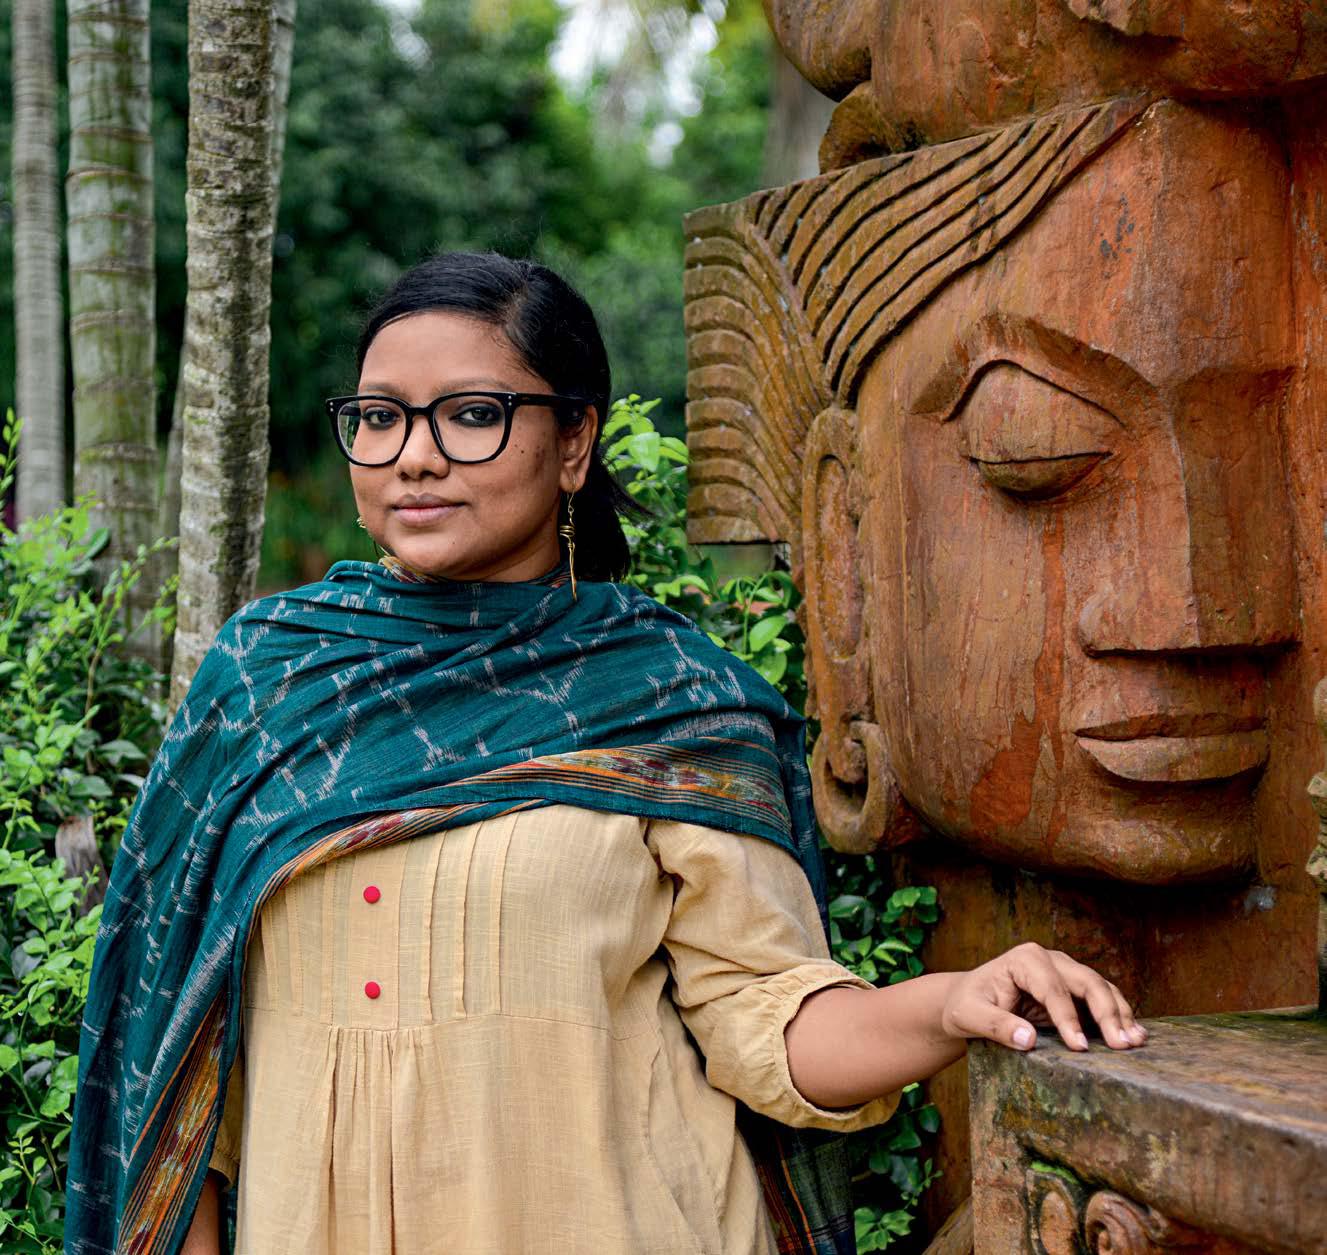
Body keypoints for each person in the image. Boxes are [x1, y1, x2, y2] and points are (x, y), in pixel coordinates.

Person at [66, 252, 1144, 1255]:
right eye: (380, 418)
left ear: (575, 441)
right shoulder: (267, 683)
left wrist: (948, 1004)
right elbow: (174, 1070)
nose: (415, 455)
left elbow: (766, 1019)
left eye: (473, 415)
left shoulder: (666, 698)